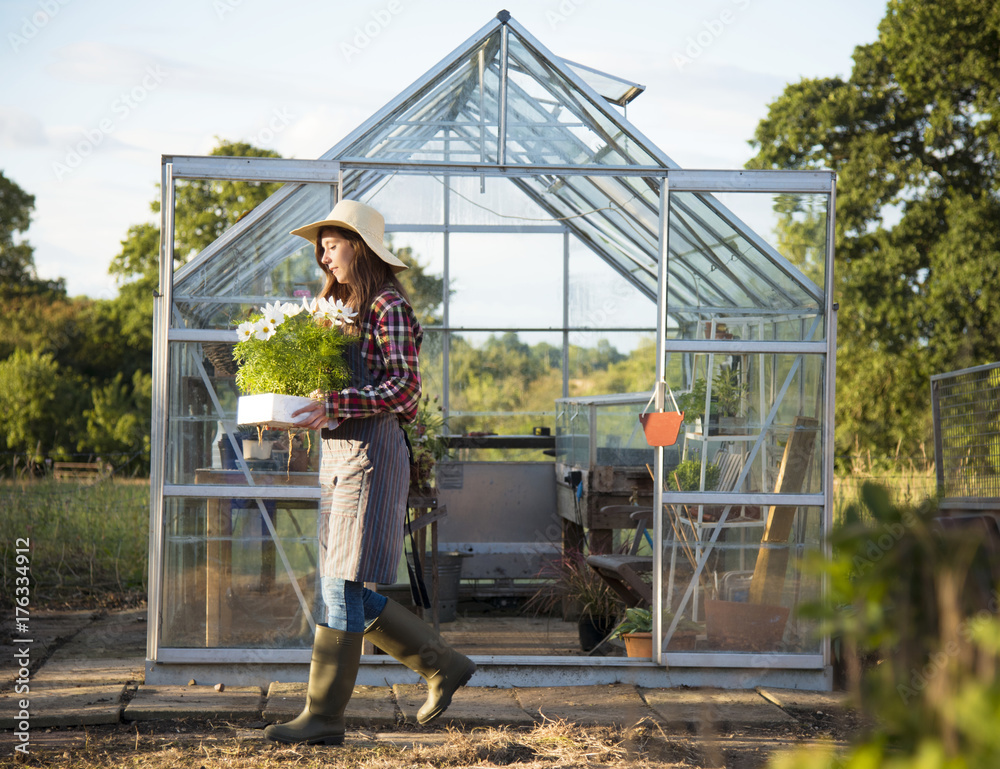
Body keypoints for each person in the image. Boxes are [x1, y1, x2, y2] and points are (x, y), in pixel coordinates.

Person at [263, 199, 476, 746]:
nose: (323, 256)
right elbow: (333, 391)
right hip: (340, 456)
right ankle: (442, 665)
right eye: (321, 246)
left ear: (359, 247)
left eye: (331, 244)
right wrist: (300, 406)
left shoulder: (387, 308)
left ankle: (324, 716)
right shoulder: (338, 311)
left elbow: (404, 389)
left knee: (339, 583)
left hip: (372, 456)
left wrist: (335, 403)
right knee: (345, 583)